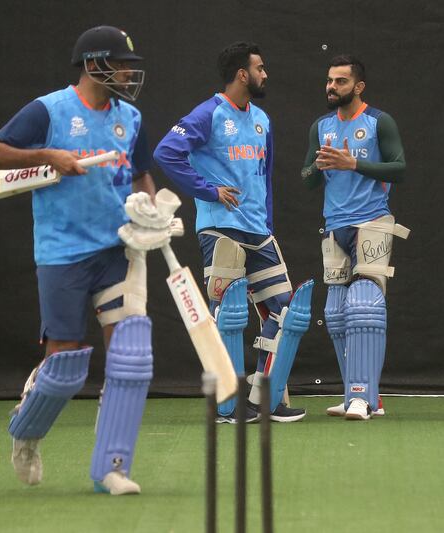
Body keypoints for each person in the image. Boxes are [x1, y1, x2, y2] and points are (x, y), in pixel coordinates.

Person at [0, 25, 178, 494]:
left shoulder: (131, 115)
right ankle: (26, 432)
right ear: (94, 64)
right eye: (122, 63)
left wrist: (151, 210)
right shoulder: (49, 109)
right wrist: (50, 155)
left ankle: (113, 467)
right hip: (62, 252)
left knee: (130, 357)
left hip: (118, 249)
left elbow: (141, 175)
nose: (130, 73)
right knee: (64, 365)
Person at [154, 42, 313, 424]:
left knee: (286, 309)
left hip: (258, 231)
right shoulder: (208, 113)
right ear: (242, 74)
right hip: (220, 230)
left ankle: (265, 396)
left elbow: (264, 176)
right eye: (260, 68)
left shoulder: (262, 119)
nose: (265, 74)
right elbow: (166, 152)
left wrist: (268, 222)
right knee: (228, 314)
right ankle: (227, 406)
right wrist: (209, 191)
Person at [301, 55, 409, 420]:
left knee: (363, 307)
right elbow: (307, 177)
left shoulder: (379, 122)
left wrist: (355, 164)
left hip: (372, 222)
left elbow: (399, 168)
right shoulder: (322, 126)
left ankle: (361, 396)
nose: (332, 87)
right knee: (335, 313)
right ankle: (361, 396)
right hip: (335, 226)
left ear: (358, 87)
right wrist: (316, 168)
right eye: (329, 80)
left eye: (341, 81)